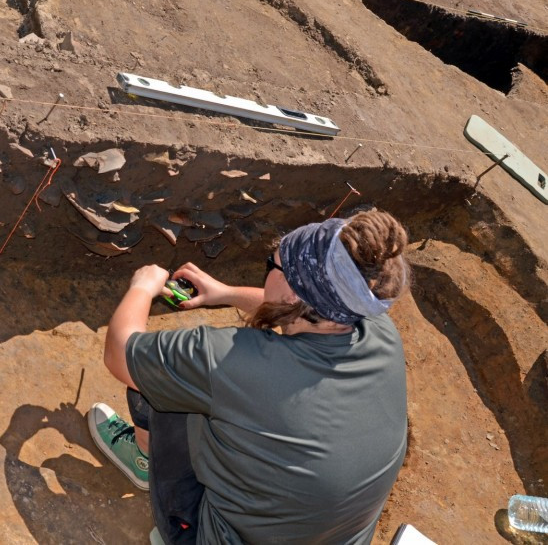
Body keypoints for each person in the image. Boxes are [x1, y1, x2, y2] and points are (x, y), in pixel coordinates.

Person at [87, 210, 411, 544]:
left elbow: (120, 352)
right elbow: (303, 307)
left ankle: (150, 470)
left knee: (164, 379)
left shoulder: (230, 361)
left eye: (272, 265)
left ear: (293, 293)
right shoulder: (379, 331)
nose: (267, 270)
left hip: (213, 535)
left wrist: (142, 287)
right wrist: (226, 293)